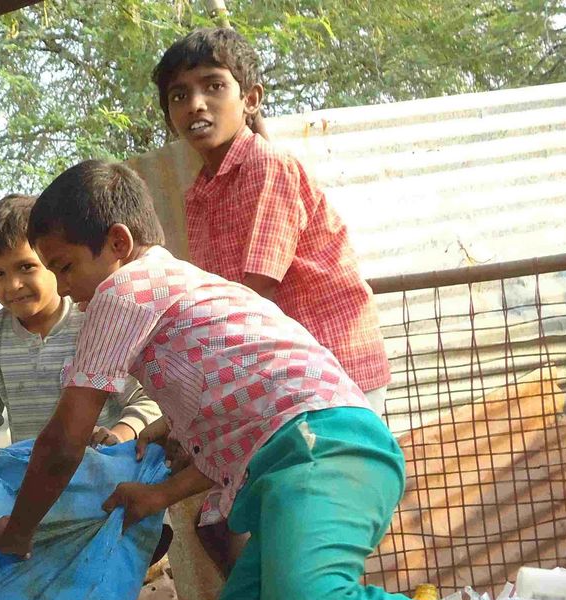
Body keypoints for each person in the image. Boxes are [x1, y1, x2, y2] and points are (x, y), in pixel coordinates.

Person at [0, 159, 558, 600]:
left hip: (324, 448)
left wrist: (19, 529)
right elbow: (235, 427)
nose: (67, 288)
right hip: (295, 458)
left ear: (117, 244)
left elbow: (63, 439)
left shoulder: (126, 289)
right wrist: (162, 494)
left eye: (64, 267)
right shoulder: (178, 298)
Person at [153, 27, 391, 412]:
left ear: (250, 99)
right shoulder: (199, 193)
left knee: (328, 472)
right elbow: (219, 296)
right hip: (284, 372)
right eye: (179, 95)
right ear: (169, 116)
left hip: (334, 370)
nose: (195, 104)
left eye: (213, 87)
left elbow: (255, 290)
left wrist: (197, 382)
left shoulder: (268, 166)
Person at [0, 194, 160, 451]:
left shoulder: (97, 323)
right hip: (34, 474)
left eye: (26, 267)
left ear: (55, 262)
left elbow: (145, 400)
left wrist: (119, 435)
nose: (13, 285)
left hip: (102, 467)